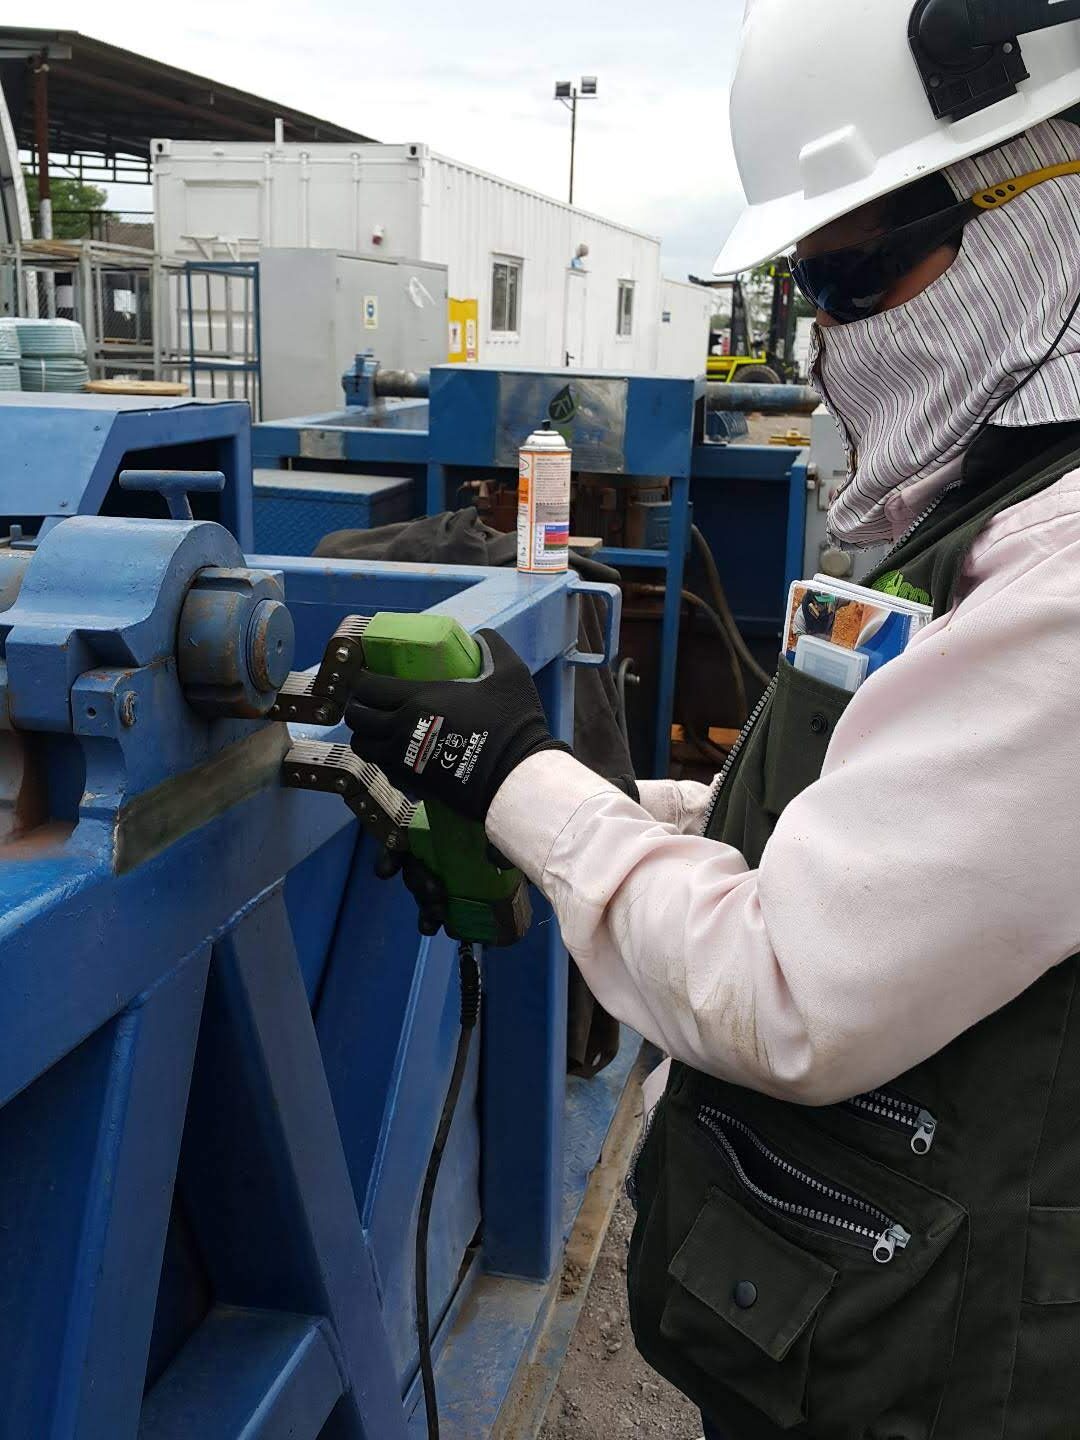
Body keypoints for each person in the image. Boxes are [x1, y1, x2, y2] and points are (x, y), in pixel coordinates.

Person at [347, 3, 1080, 1434]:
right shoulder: (998, 508)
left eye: (859, 270)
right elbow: (884, 837)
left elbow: (787, 988)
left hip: (944, 1376)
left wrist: (521, 780)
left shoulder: (1060, 570)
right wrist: (609, 806)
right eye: (812, 286)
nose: (833, 337)